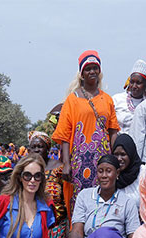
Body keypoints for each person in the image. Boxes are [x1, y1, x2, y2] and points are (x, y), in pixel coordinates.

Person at [52, 50, 120, 216]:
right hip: (78, 162)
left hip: (102, 161)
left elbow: (113, 131)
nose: (92, 71)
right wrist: (66, 164)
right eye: (87, 68)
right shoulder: (72, 99)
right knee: (79, 203)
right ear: (81, 74)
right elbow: (64, 135)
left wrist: (115, 159)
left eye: (95, 68)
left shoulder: (107, 99)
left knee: (103, 200)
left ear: (100, 71)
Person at [27, 130, 68, 238]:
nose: (36, 150)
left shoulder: (59, 168)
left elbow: (66, 196)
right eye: (33, 147)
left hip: (57, 225)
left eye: (40, 146)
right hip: (33, 225)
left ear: (48, 149)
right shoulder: (26, 170)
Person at [112, 60, 146, 134]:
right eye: (132, 82)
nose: (134, 86)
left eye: (138, 83)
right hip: (119, 143)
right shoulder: (117, 99)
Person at [112, 133, 143, 209]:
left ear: (130, 154)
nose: (119, 158)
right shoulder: (111, 175)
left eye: (123, 154)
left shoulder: (143, 173)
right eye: (116, 154)